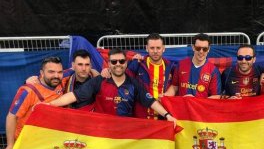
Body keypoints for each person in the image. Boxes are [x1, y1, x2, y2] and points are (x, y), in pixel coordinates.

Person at [49, 48, 177, 127]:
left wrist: (167, 115)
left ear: (126, 63)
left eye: (121, 61)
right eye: (114, 62)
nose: (118, 65)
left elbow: (150, 101)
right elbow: (73, 96)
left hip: (124, 133)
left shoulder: (134, 83)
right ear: (108, 64)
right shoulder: (99, 81)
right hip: (102, 132)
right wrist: (49, 105)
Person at [220, 44, 264, 149]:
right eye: (240, 57)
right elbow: (220, 96)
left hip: (255, 123)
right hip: (234, 123)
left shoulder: (262, 70)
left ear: (253, 59)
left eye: (248, 57)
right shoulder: (227, 73)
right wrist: (228, 99)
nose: (244, 61)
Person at [126, 33, 175, 119]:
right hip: (142, 117)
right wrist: (107, 70)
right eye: (152, 48)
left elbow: (176, 86)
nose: (155, 51)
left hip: (163, 117)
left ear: (163, 48)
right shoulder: (138, 64)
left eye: (158, 48)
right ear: (146, 48)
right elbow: (120, 76)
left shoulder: (171, 67)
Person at [164, 33, 221, 98]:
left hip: (200, 107)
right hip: (182, 106)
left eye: (204, 49)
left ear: (208, 49)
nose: (201, 51)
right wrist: (164, 97)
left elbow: (216, 96)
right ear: (193, 47)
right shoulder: (181, 64)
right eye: (198, 48)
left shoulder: (213, 70)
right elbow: (174, 87)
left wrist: (194, 101)